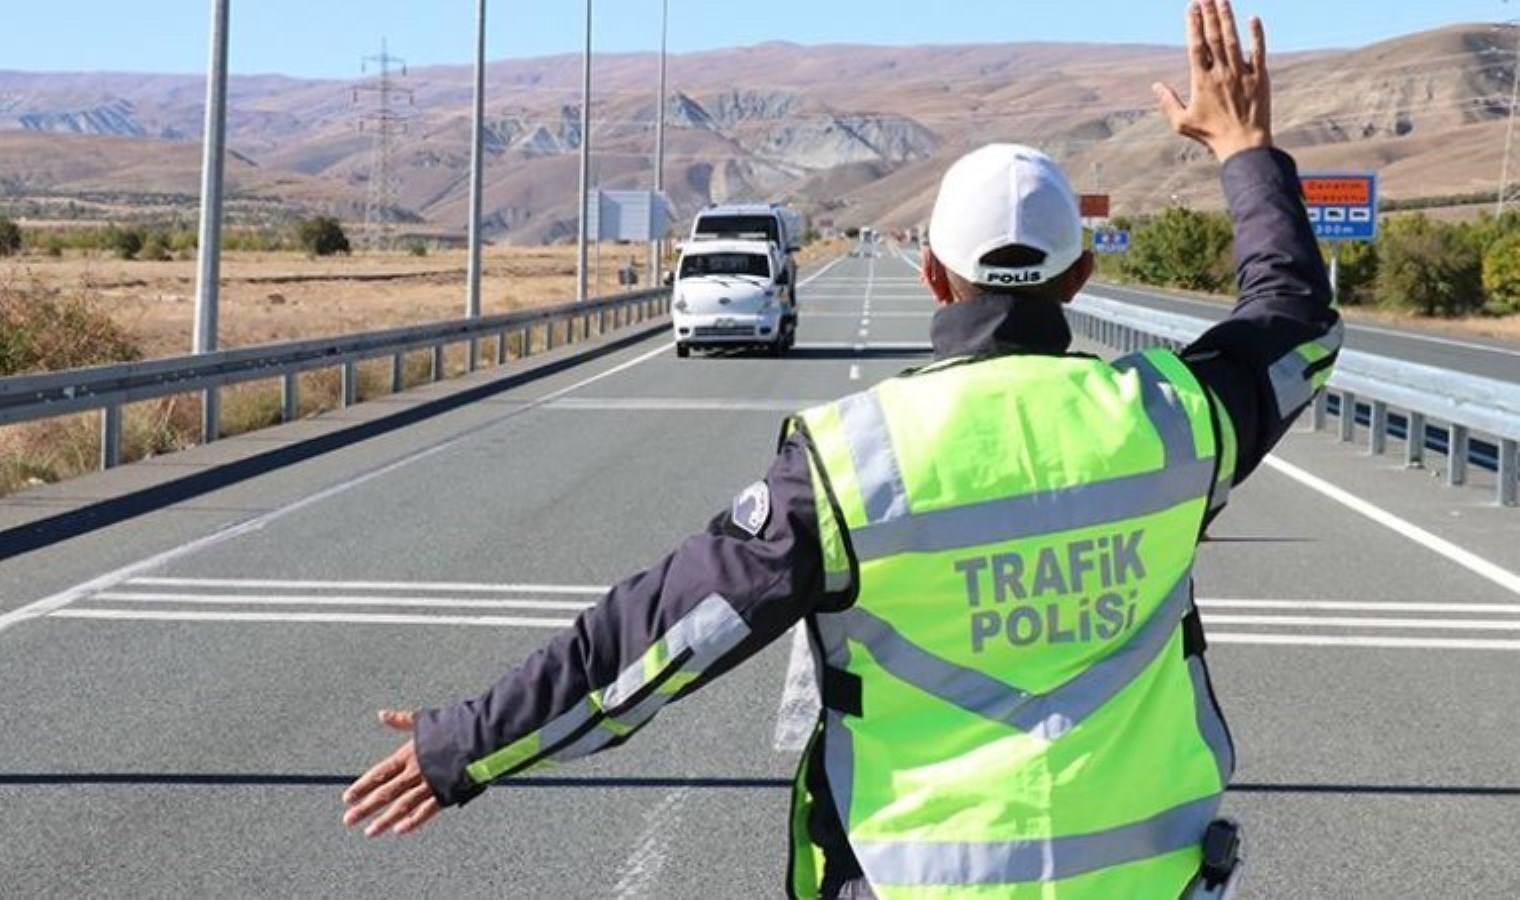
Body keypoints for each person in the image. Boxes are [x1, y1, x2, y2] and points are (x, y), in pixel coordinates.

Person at [343, 2, 1340, 896]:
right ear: (1076, 278)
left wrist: (465, 745)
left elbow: (649, 641)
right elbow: (1292, 317)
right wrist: (1241, 148)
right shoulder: (1175, 417)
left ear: (930, 276)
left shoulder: (852, 463)